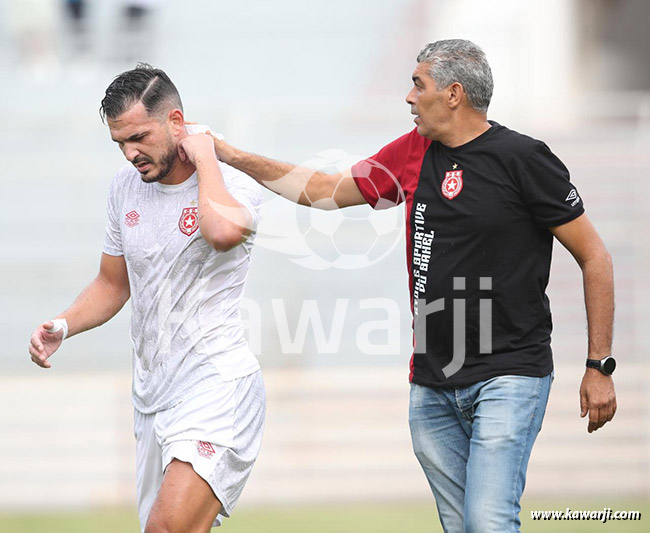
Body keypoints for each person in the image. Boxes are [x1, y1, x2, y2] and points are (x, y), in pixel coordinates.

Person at [204, 39, 616, 532]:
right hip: (432, 384)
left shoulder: (524, 158)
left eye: (418, 85)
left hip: (511, 373)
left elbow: (595, 256)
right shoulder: (413, 153)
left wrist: (599, 365)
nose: (408, 97)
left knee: (488, 522)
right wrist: (228, 155)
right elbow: (321, 191)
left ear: (453, 94)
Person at [28, 63, 265, 533]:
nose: (130, 153)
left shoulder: (232, 184)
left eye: (139, 137)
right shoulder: (124, 187)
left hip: (216, 388)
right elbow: (113, 284)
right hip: (152, 396)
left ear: (177, 122)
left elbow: (219, 234)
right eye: (120, 142)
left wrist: (207, 159)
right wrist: (64, 324)